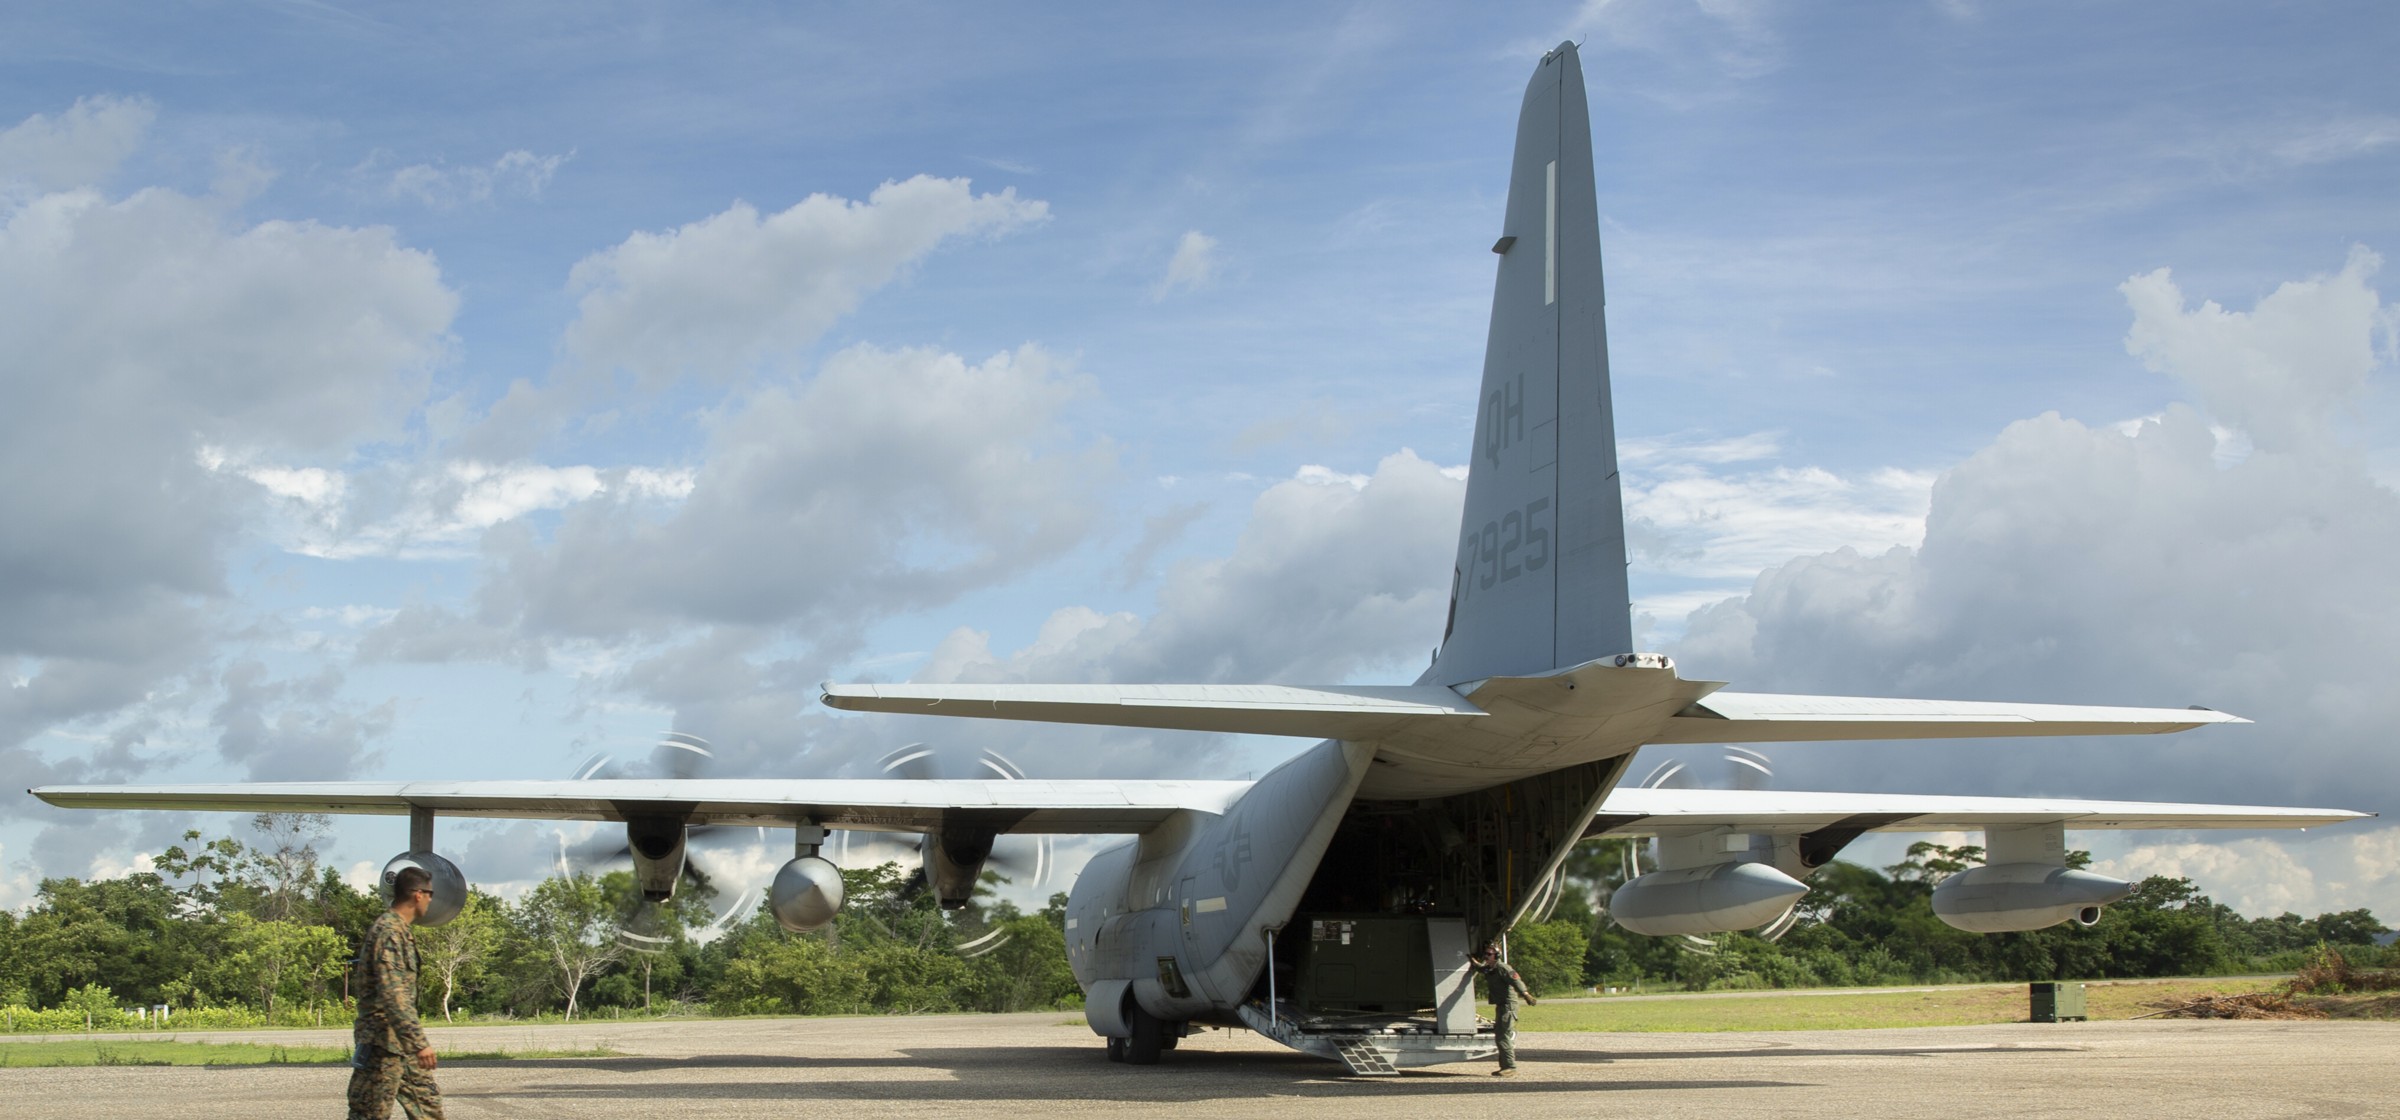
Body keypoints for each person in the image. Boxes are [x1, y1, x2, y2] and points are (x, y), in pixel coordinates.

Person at [349, 866, 443, 1119]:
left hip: (401, 1045)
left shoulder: (401, 931)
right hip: (382, 1044)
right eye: (430, 894)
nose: (431, 900)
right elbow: (394, 994)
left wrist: (412, 1044)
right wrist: (419, 1043)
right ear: (418, 894)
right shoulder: (389, 932)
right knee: (370, 1113)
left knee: (429, 1108)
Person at [1470, 942, 1537, 1077]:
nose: (1486, 957)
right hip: (1501, 1005)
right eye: (1486, 954)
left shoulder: (1503, 968)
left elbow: (1516, 980)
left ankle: (1510, 1067)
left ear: (1497, 955)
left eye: (1489, 954)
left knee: (1503, 1036)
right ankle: (1505, 1067)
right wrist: (1472, 961)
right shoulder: (1491, 968)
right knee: (1500, 1035)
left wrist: (1526, 995)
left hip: (1508, 1006)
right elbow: (1482, 969)